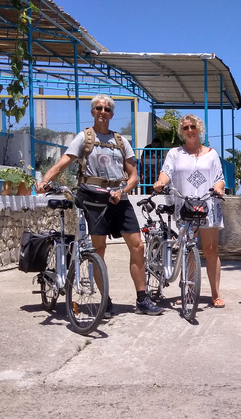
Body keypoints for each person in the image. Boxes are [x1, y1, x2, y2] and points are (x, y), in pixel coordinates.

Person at [37, 94, 163, 316]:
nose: (102, 112)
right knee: (99, 249)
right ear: (93, 112)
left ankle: (142, 299)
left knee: (138, 246)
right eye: (99, 108)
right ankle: (105, 301)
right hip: (93, 198)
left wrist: (122, 191)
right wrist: (45, 181)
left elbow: (133, 176)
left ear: (112, 114)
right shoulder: (84, 137)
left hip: (119, 196)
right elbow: (62, 163)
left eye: (106, 109)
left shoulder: (121, 141)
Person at [153, 115, 226, 308]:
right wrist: (161, 182)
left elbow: (219, 177)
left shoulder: (211, 153)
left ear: (199, 128)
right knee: (188, 250)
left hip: (207, 206)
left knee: (211, 251)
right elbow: (166, 172)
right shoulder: (175, 153)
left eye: (193, 126)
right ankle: (188, 290)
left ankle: (215, 294)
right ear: (182, 132)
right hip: (185, 206)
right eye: (185, 128)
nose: (190, 130)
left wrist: (218, 188)